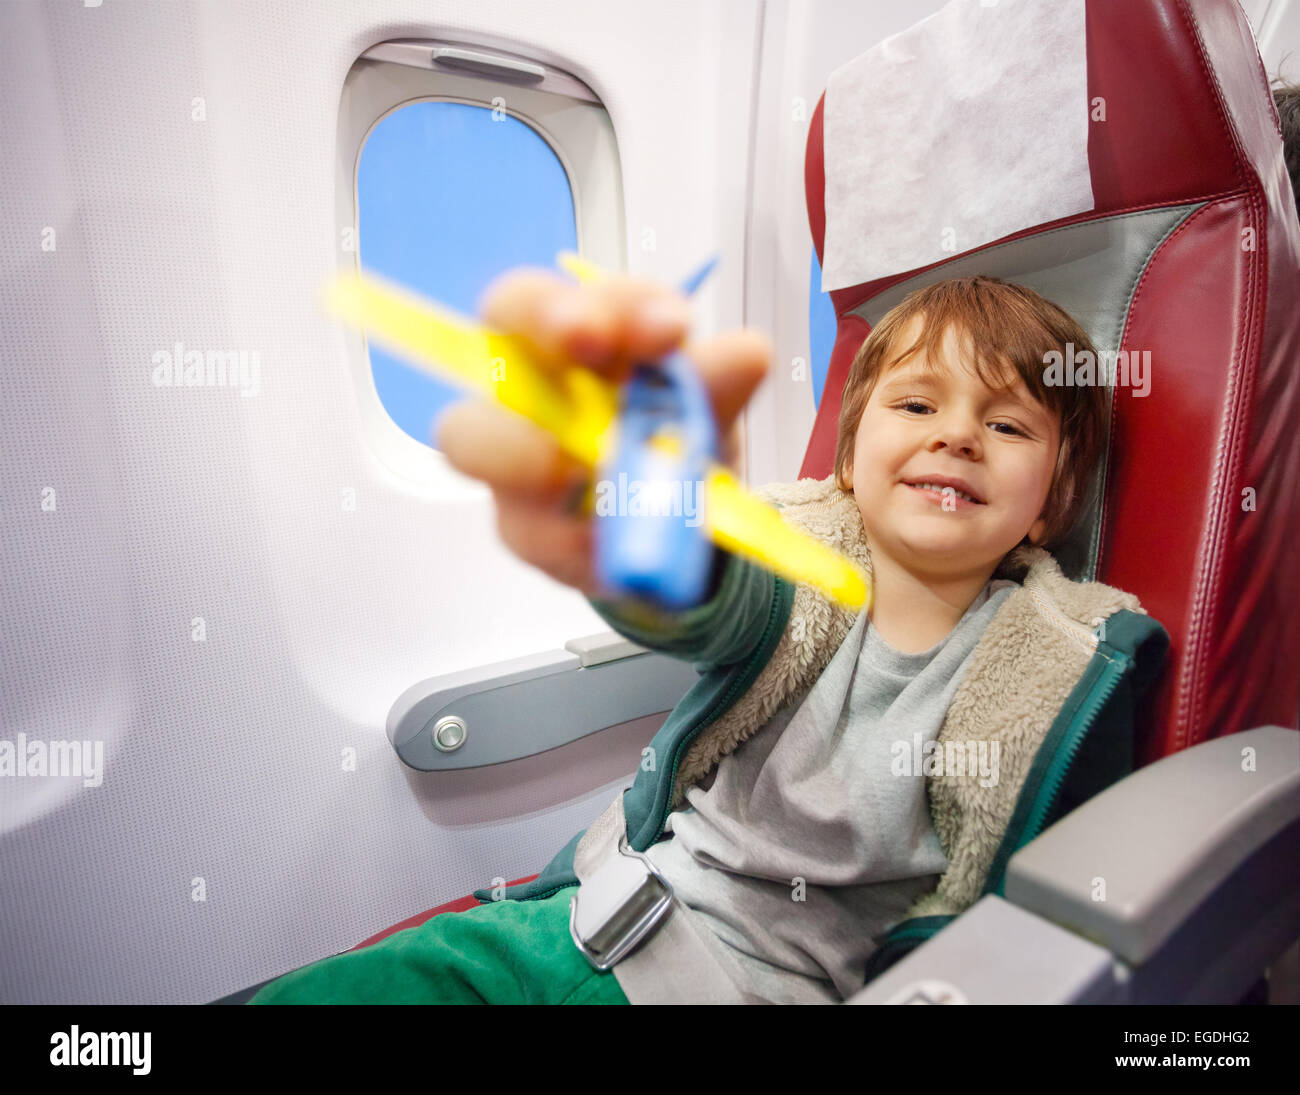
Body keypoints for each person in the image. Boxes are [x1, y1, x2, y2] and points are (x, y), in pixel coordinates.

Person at [248, 269, 1168, 1004]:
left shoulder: (1046, 662)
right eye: (918, 407)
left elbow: (1023, 906)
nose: (958, 437)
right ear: (849, 460)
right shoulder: (801, 561)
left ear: (1050, 504)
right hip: (584, 921)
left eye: (1006, 424)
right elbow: (712, 598)